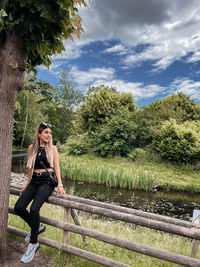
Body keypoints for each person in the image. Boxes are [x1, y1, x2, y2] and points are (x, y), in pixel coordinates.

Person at [14, 122, 66, 263]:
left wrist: (60, 184)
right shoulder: (32, 148)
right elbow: (30, 168)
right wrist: (27, 184)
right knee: (18, 207)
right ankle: (37, 227)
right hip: (34, 181)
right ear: (39, 134)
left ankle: (33, 243)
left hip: (46, 182)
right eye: (46, 132)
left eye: (50, 133)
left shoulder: (53, 149)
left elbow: (57, 167)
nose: (49, 135)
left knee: (34, 208)